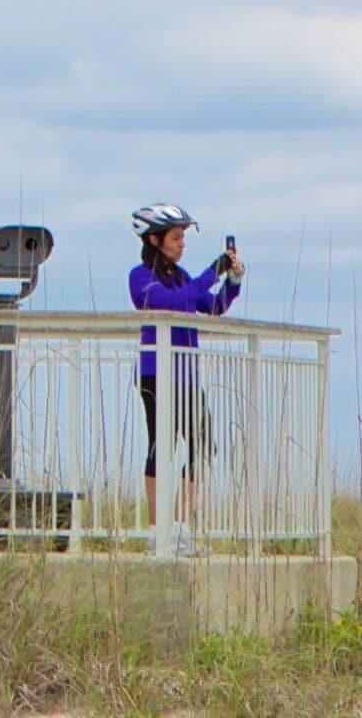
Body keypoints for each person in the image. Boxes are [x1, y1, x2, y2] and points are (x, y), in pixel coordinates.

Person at [127, 202, 243, 544]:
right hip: (156, 373)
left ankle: (177, 527)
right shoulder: (139, 276)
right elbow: (174, 303)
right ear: (154, 240)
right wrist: (212, 272)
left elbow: (213, 306)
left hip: (187, 376)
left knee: (203, 447)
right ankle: (155, 530)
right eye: (176, 237)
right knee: (160, 446)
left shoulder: (180, 276)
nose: (181, 244)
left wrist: (231, 281)